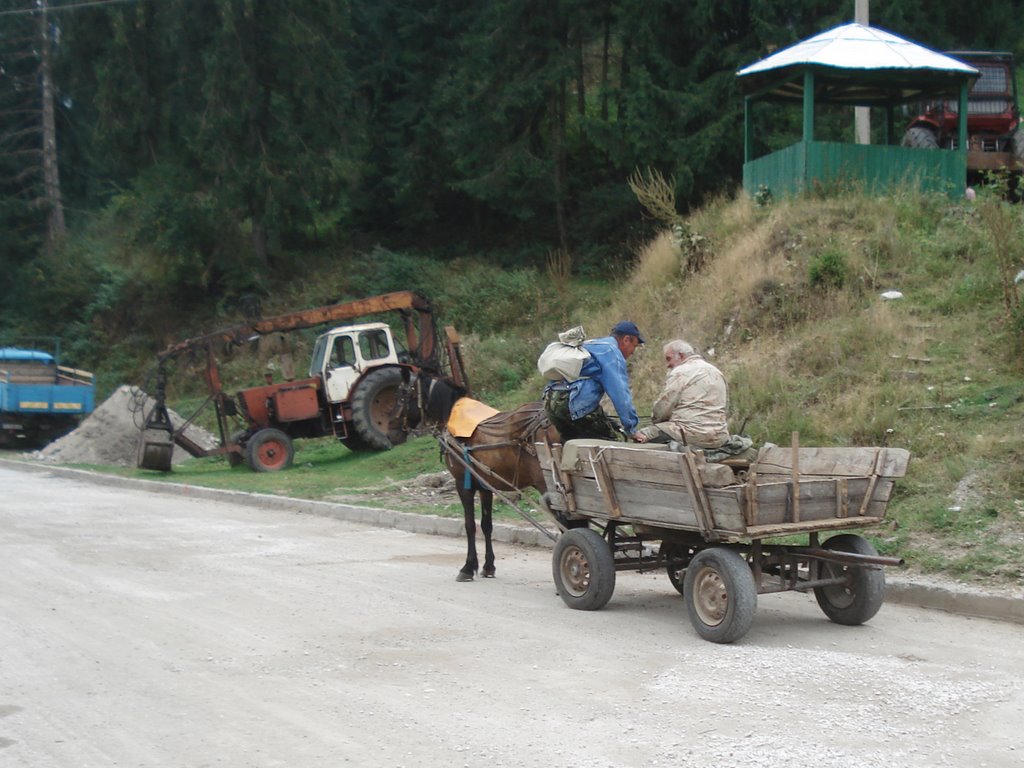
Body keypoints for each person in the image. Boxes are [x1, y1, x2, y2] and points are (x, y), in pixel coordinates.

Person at [543, 321, 644, 442]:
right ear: (627, 339)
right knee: (615, 444)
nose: (632, 352)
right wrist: (631, 429)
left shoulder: (591, 345)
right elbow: (620, 393)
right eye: (634, 346)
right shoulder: (611, 352)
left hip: (551, 402)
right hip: (573, 404)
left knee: (573, 445)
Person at [634, 339, 731, 449]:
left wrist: (655, 421)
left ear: (680, 355)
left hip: (690, 434)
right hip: (719, 437)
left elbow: (662, 409)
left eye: (668, 359)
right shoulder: (717, 372)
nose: (667, 365)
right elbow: (725, 407)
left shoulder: (680, 372)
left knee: (641, 435)